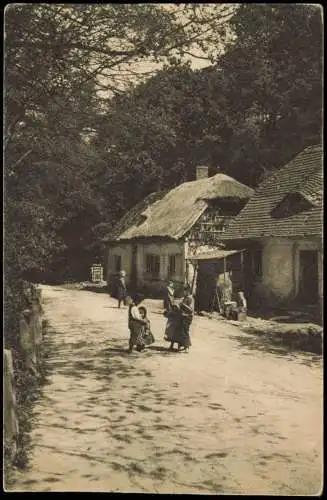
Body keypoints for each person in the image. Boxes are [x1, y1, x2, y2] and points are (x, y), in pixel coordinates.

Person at [178, 284, 194, 353]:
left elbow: (191, 309)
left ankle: (187, 347)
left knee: (185, 331)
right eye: (184, 291)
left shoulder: (190, 298)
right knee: (181, 331)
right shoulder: (185, 297)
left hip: (188, 317)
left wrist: (183, 305)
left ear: (188, 291)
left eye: (185, 291)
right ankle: (183, 345)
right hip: (183, 316)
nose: (184, 292)